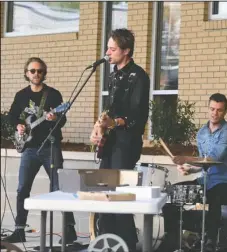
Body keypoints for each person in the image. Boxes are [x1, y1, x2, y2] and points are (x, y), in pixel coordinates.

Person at [3, 57, 77, 244]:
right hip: (29, 148)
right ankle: (20, 231)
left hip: (50, 146)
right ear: (26, 73)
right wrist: (19, 125)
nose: (36, 74)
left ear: (44, 73)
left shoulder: (53, 95)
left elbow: (63, 120)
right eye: (32, 71)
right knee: (22, 189)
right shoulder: (21, 95)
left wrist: (54, 118)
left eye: (40, 71)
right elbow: (11, 116)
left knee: (60, 187)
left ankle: (70, 230)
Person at [90, 28, 150, 251]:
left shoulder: (139, 76)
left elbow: (137, 116)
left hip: (127, 143)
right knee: (103, 191)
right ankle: (108, 241)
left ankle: (128, 244)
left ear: (126, 51)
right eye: (108, 48)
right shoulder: (113, 74)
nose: (107, 52)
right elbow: (110, 109)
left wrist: (113, 123)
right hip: (111, 141)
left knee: (118, 194)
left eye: (112, 48)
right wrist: (100, 125)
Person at [159, 93, 227, 252]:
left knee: (214, 196)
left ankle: (210, 242)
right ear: (208, 108)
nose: (215, 113)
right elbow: (203, 164)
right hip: (204, 180)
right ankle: (173, 238)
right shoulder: (201, 133)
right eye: (212, 109)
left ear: (225, 111)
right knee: (171, 194)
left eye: (219, 110)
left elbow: (214, 158)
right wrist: (189, 168)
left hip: (225, 182)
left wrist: (186, 159)